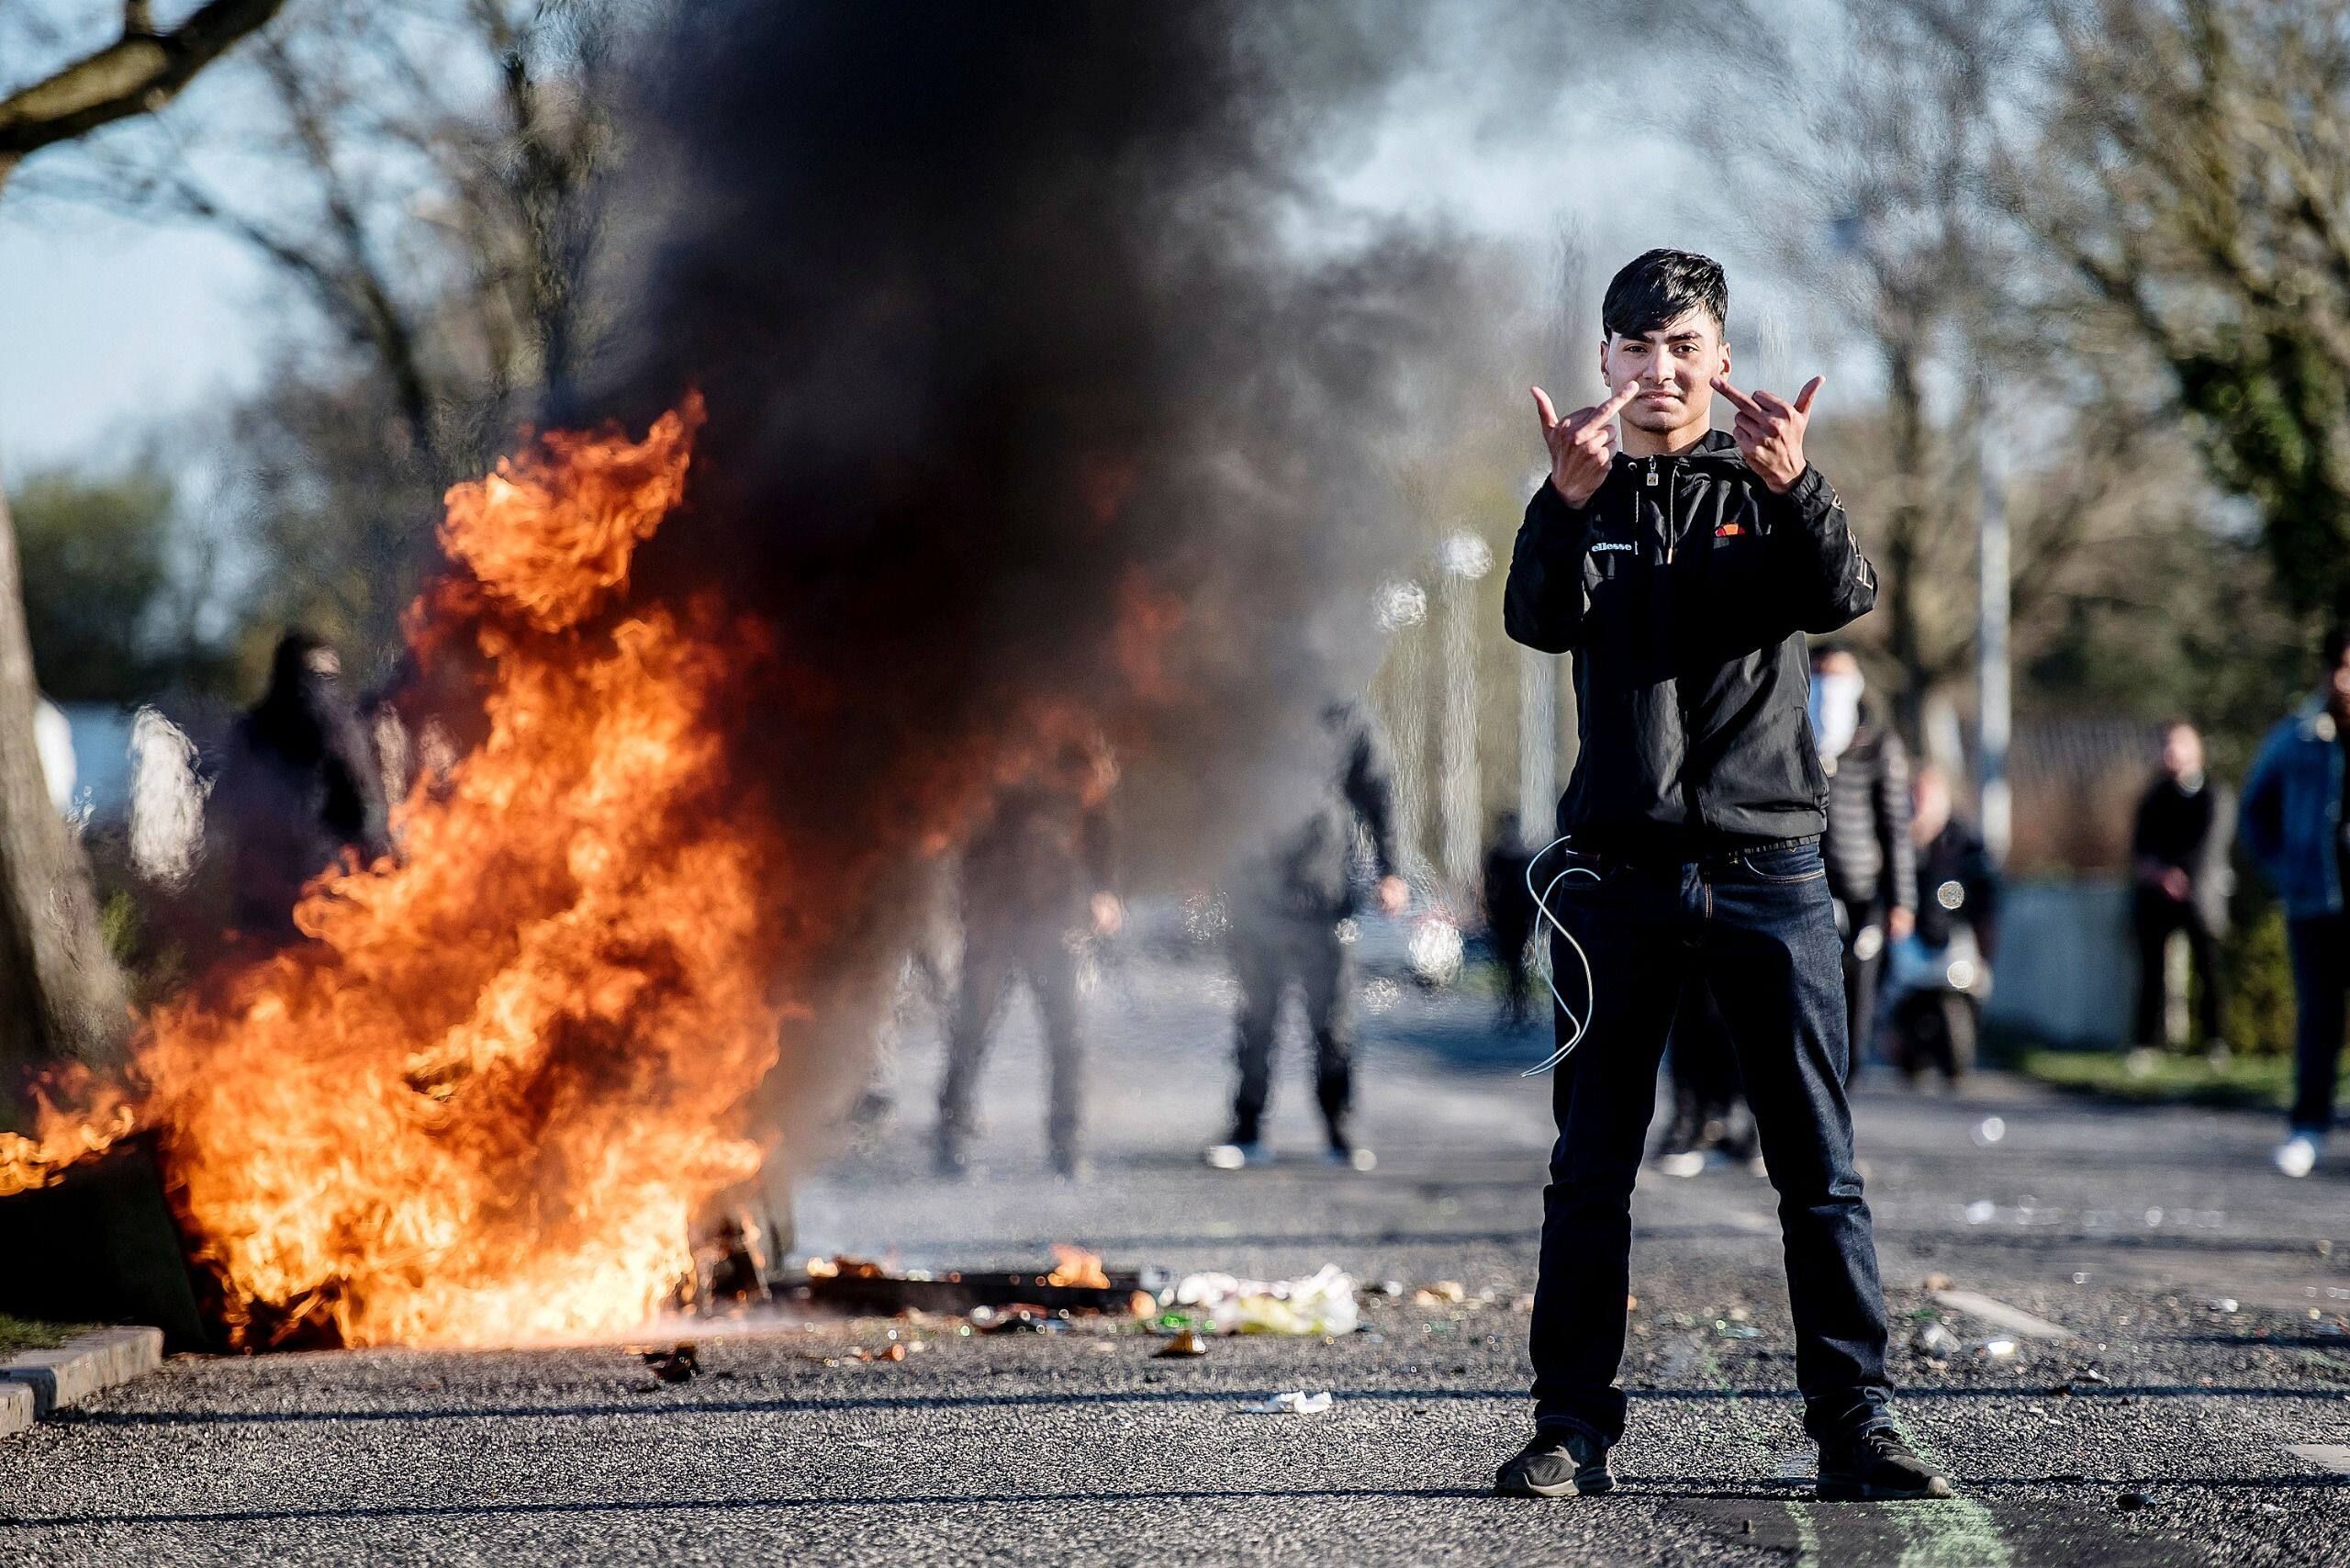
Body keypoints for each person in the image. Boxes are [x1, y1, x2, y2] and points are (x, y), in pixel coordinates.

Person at [1494, 249, 1947, 1502]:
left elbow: (1842, 592)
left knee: (1820, 1168)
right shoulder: (1582, 491)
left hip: (1774, 873)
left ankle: (1856, 1428)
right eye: (1636, 349)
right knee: (1590, 1172)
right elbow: (1535, 619)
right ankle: (1570, 1430)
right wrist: (1559, 503)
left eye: (1683, 347)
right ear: (1604, 363)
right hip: (1617, 881)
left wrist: (1797, 487)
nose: (1660, 371)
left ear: (1721, 360)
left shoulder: (1765, 478)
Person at [1206, 700, 1405, 1171]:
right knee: (1256, 1019)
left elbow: (1377, 791)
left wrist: (1390, 869)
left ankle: (1339, 1132)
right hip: (1256, 891)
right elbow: (1217, 790)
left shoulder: (1345, 712)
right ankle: (1247, 1129)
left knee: (1331, 1023)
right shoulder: (1254, 701)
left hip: (1324, 893)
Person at [934, 741, 1120, 1180]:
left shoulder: (1077, 753)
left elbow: (1100, 826)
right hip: (992, 915)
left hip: (1055, 916)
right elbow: (957, 833)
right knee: (971, 1031)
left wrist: (1104, 889)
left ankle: (1066, 1146)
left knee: (1065, 1036)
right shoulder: (986, 746)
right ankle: (950, 1142)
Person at [2240, 623, 2350, 1180]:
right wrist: (2285, 871)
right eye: (2341, 667)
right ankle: (2307, 1127)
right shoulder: (2299, 735)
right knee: (2320, 1018)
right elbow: (2253, 810)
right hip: (2315, 902)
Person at [216, 631, 392, 939]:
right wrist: (383, 864)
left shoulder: (248, 729)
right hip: (325, 890)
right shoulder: (338, 726)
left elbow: (226, 806)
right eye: (323, 678)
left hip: (260, 899)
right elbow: (366, 808)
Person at [1810, 643, 1915, 1078]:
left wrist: (1901, 901)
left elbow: (1895, 827)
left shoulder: (1878, 745)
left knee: (1857, 991)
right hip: (1805, 882)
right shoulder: (1792, 738)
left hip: (1859, 889)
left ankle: (1844, 1080)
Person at [1884, 764, 2000, 1084]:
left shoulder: (1964, 842)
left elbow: (1984, 888)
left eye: (1928, 800)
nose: (1921, 809)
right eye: (1916, 800)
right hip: (1909, 937)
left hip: (1952, 937)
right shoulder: (1898, 842)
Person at [2130, 722, 2232, 1054]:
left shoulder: (2214, 795)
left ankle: (2215, 1042)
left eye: (2179, 745)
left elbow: (2210, 843)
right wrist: (2161, 875)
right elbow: (2140, 847)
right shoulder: (2153, 797)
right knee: (2151, 973)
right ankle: (2146, 1044)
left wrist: (2184, 874)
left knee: (2209, 972)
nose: (2171, 753)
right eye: (2167, 746)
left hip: (2200, 896)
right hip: (2158, 897)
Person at [1483, 810, 1538, 1030]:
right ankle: (1518, 1007)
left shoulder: (1500, 855)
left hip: (1508, 916)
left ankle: (1516, 1006)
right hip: (1516, 916)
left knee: (1510, 965)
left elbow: (1489, 887)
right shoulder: (1522, 856)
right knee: (1515, 967)